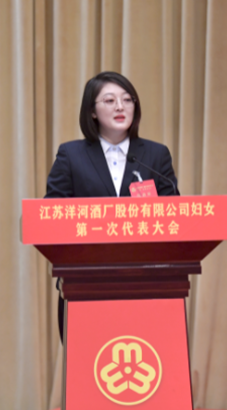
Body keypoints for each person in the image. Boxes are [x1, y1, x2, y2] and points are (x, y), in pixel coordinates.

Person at [44, 71, 179, 341]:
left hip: (146, 282)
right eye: (109, 100)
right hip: (86, 280)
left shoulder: (156, 155)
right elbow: (53, 214)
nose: (120, 106)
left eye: (127, 100)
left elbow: (173, 213)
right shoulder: (71, 155)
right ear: (92, 111)